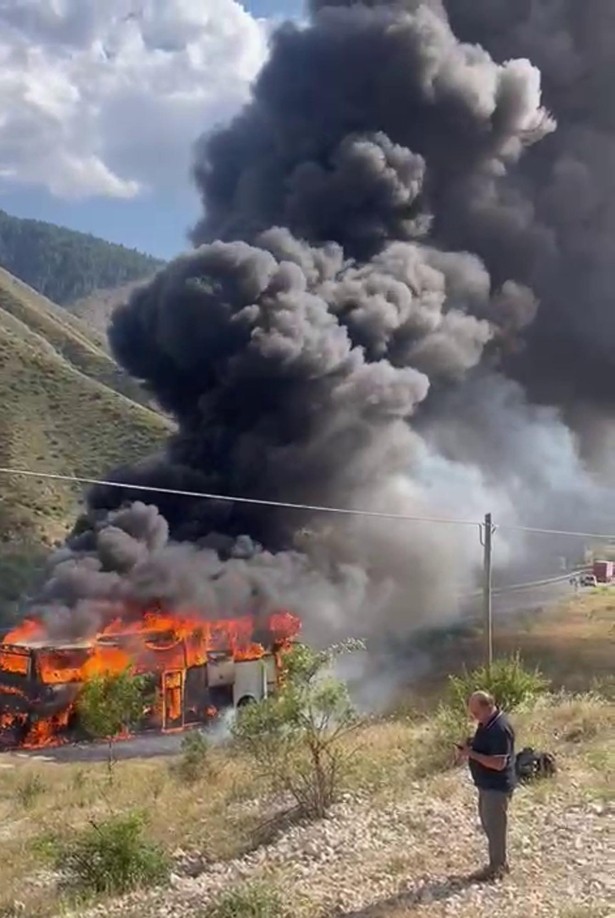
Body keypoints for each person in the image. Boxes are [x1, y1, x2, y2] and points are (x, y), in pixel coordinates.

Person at [456, 690, 516, 881]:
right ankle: (497, 864)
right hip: (486, 785)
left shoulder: (500, 729)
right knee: (488, 824)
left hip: (496, 787)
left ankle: (497, 868)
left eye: (476, 712)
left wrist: (471, 754)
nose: (473, 717)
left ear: (487, 707)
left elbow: (498, 763)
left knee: (496, 827)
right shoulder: (486, 723)